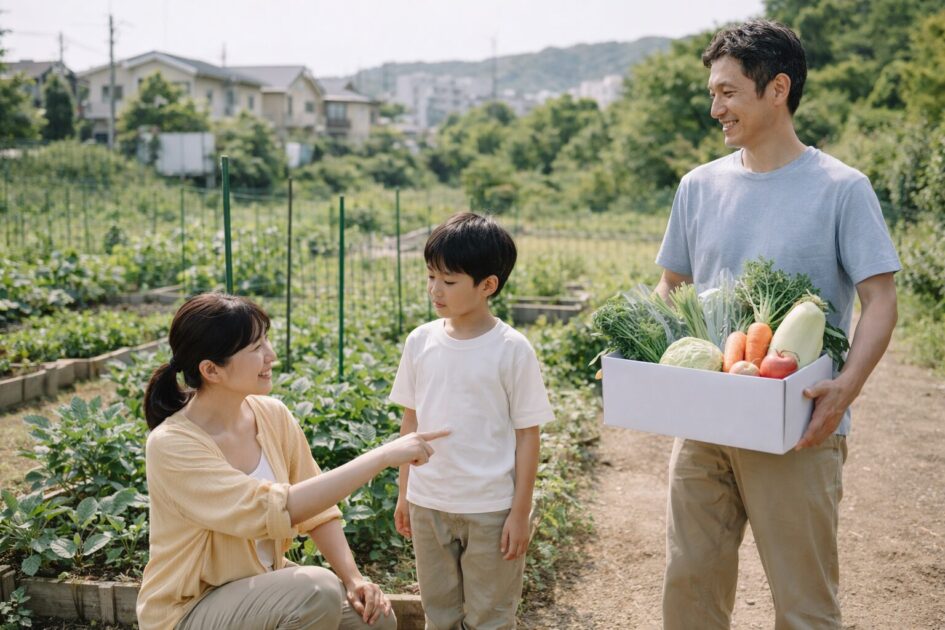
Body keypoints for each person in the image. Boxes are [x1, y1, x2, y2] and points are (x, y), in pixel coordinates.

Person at [654, 19, 901, 630]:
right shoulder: (698, 186)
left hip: (798, 427)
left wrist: (845, 389)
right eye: (713, 93)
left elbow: (880, 300)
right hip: (704, 419)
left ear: (778, 89)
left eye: (728, 92)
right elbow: (671, 288)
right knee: (689, 588)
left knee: (803, 604)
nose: (715, 108)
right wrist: (645, 361)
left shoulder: (842, 189)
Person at [136, 292, 448, 630]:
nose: (270, 355)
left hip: (257, 589)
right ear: (211, 370)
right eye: (256, 348)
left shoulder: (271, 415)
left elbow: (318, 511)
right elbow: (271, 509)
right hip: (189, 610)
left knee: (376, 620)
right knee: (316, 590)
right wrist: (382, 456)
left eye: (266, 340)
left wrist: (354, 579)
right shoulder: (172, 445)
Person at [389, 212, 555, 629]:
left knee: (490, 617)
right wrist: (404, 492)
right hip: (429, 503)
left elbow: (528, 436)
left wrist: (520, 512)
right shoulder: (420, 341)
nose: (435, 289)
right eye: (431, 276)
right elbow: (411, 422)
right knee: (439, 613)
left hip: (490, 509)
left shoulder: (512, 349)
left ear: (487, 285)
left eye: (448, 281)